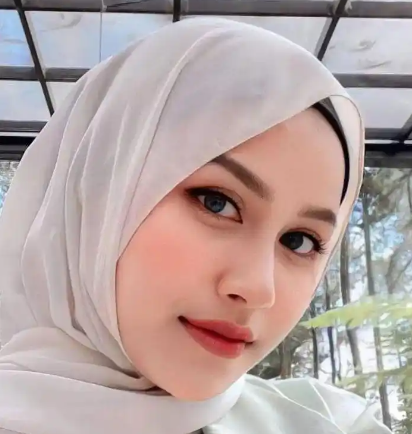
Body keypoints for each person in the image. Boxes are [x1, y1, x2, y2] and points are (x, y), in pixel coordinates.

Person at [0, 17, 391, 434]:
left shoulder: (326, 423)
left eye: (299, 242)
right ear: (95, 194)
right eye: (216, 203)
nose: (258, 289)